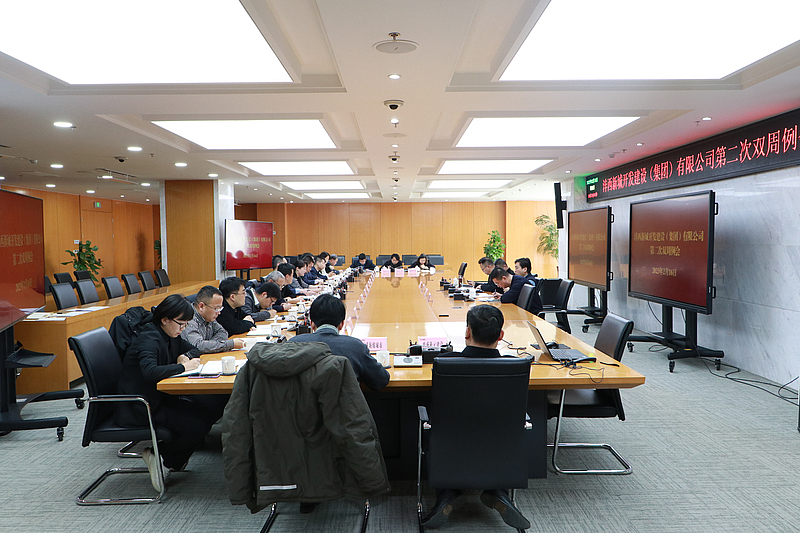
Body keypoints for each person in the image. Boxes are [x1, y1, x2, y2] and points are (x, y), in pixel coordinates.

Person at [421, 305, 531, 530]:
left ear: (467, 332)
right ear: (500, 335)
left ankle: (448, 494)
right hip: (501, 440)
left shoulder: (446, 362)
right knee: (494, 431)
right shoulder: (513, 366)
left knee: (438, 428)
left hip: (451, 440)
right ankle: (498, 492)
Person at [115, 294, 213, 490]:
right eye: (180, 324)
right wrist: (183, 367)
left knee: (206, 411)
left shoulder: (170, 334)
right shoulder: (149, 338)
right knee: (197, 425)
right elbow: (149, 371)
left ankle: (170, 460)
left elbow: (194, 350)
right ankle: (161, 457)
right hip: (140, 406)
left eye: (186, 325)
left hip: (159, 398)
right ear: (165, 319)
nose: (183, 329)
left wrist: (184, 355)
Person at [288, 294, 390, 391]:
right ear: (341, 324)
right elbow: (381, 380)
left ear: (311, 323)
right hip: (342, 404)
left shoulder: (293, 345)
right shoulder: (355, 347)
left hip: (301, 404)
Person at [182, 285, 245, 353]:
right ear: (201, 306)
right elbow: (198, 346)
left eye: (220, 308)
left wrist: (209, 345)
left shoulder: (209, 316)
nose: (219, 312)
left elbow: (223, 332)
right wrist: (229, 344)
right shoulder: (188, 318)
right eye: (216, 308)